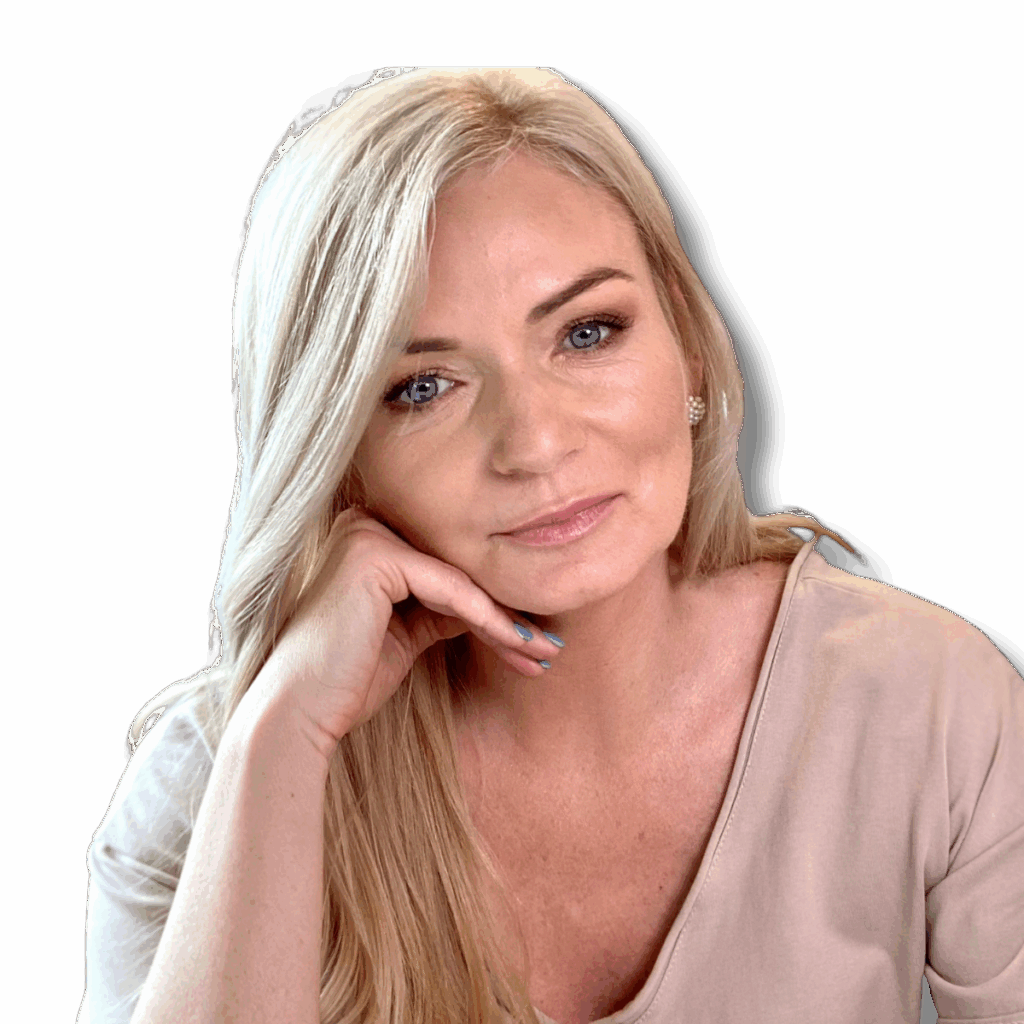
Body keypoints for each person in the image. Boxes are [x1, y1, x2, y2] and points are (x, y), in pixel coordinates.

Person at [77, 67, 1023, 1024]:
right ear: (339, 461)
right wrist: (283, 735)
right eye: (422, 388)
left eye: (588, 332)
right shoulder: (219, 776)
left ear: (688, 350)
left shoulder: (933, 708)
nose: (534, 443)